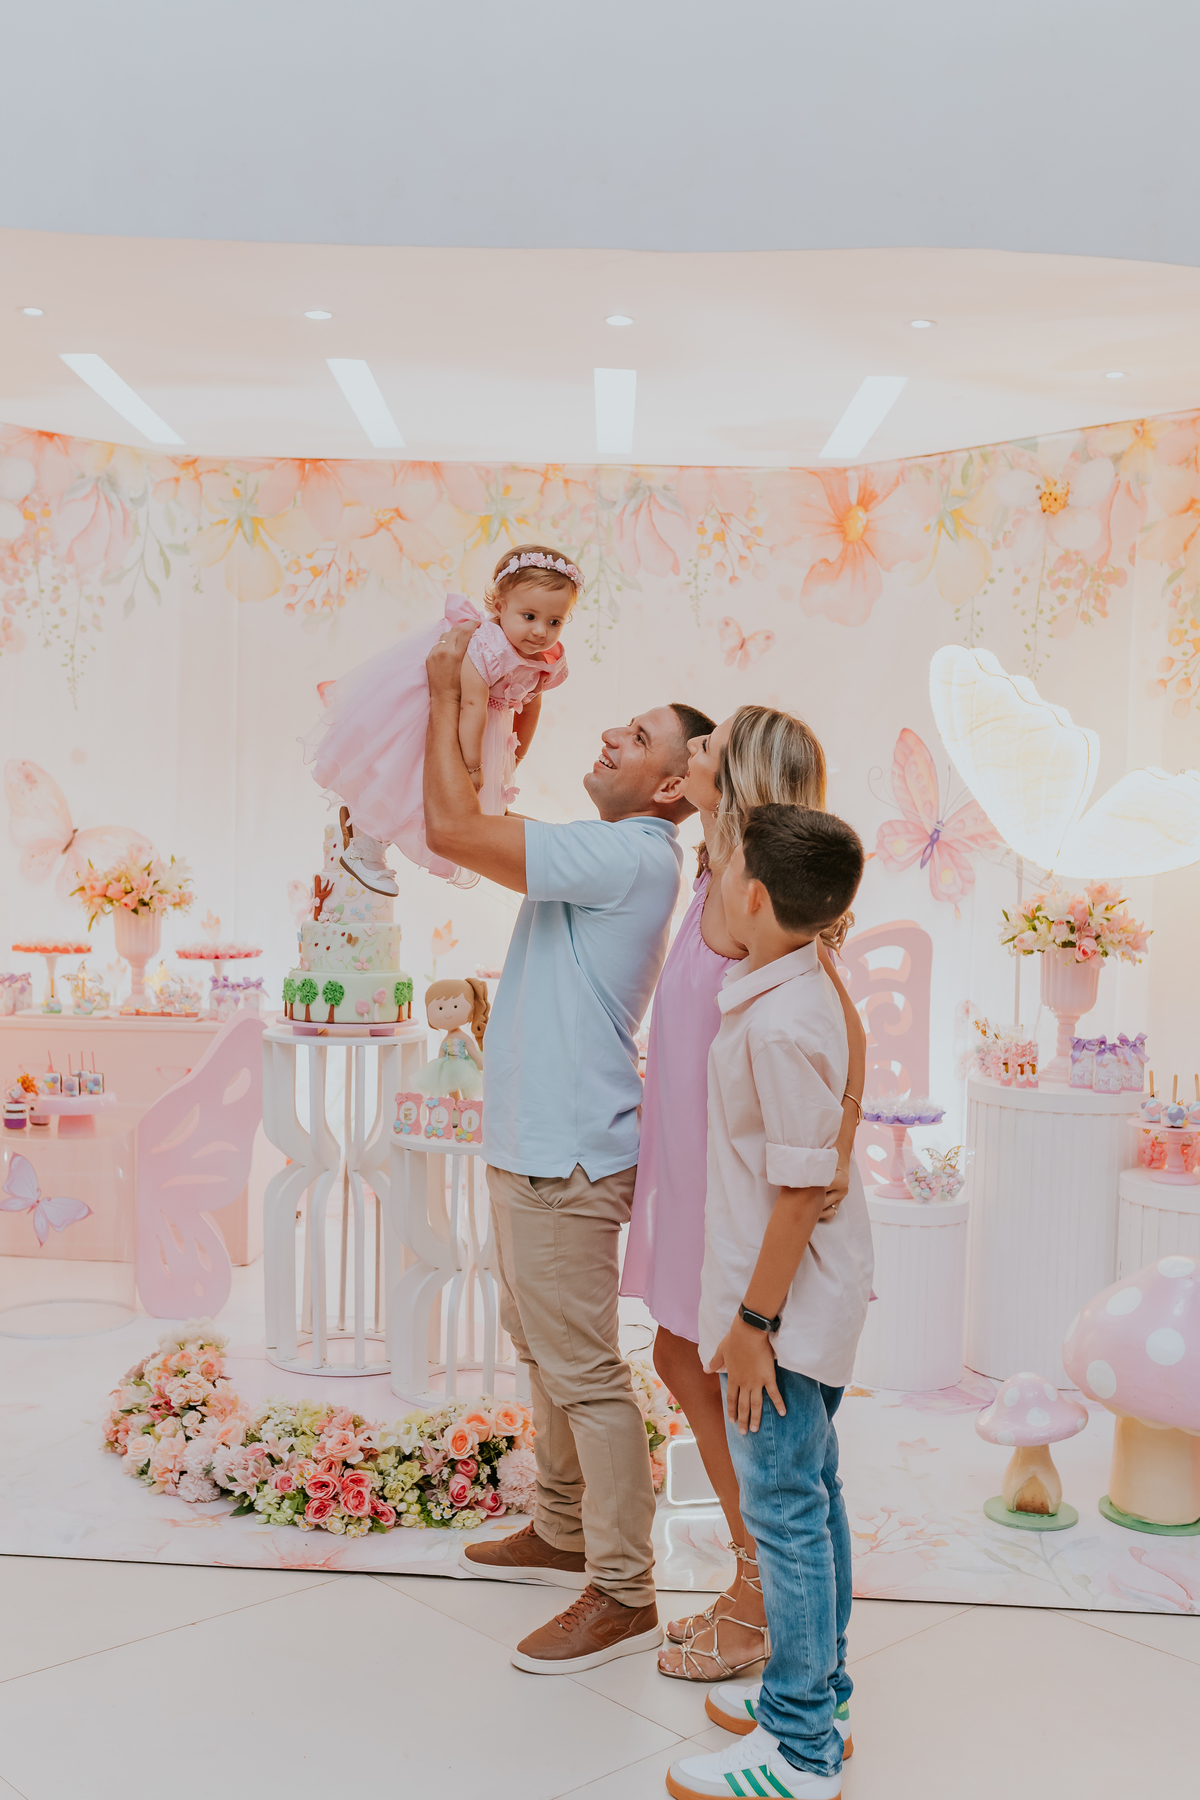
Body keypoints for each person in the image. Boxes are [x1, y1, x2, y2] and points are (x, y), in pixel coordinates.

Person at [420, 614, 715, 1676]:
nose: (611, 739)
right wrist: (498, 710)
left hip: (568, 1153)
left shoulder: (627, 855)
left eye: (636, 738)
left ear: (674, 786)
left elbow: (455, 828)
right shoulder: (611, 849)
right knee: (546, 1352)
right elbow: (484, 807)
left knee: (583, 1372)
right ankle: (559, 1525)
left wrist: (453, 687)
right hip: (538, 1142)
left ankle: (624, 1592)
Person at [621, 706, 866, 1682]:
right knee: (681, 1351)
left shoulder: (752, 899)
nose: (693, 751)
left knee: (707, 1358)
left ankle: (762, 1584)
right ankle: (755, 1574)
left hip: (725, 1167)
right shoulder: (714, 868)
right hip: (686, 1156)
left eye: (710, 749)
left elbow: (843, 1031)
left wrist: (833, 1155)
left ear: (744, 775)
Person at [666, 804, 871, 1800]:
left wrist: (753, 1330)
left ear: (754, 897)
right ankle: (816, 1692)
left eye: (717, 871)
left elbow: (796, 1190)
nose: (707, 886)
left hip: (781, 1309)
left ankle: (798, 1748)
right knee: (812, 1489)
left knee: (782, 1504)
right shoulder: (800, 983)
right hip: (792, 1293)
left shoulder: (784, 1020)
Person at [305, 544, 579, 895]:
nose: (541, 631)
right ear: (500, 606)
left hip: (481, 726)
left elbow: (532, 702)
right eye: (529, 617)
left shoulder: (546, 657)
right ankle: (365, 848)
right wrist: (471, 765)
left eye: (554, 622)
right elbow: (472, 706)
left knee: (432, 797)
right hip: (441, 713)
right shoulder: (489, 646)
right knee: (404, 778)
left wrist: (516, 754)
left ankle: (365, 834)